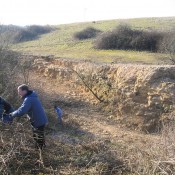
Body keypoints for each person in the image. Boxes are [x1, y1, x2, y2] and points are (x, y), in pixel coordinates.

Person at [10, 84, 48, 150]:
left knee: (38, 136)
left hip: (38, 120)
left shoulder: (29, 99)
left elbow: (22, 110)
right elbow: (23, 109)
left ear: (24, 91)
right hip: (40, 119)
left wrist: (12, 114)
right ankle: (41, 148)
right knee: (39, 135)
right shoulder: (32, 96)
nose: (18, 93)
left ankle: (40, 151)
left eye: (19, 91)